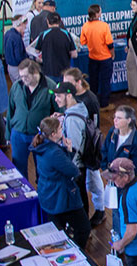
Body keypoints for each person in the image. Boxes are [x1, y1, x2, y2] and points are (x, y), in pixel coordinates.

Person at [30, 116, 90, 249]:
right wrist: (68, 150)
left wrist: (67, 151)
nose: (62, 130)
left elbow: (59, 165)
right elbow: (73, 170)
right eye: (60, 128)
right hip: (61, 197)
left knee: (58, 231)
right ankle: (78, 251)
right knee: (83, 228)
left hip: (48, 194)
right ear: (54, 134)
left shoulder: (41, 146)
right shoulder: (54, 152)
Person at [54, 80, 101, 225]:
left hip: (76, 166)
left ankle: (83, 227)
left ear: (69, 96)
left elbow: (73, 148)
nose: (56, 100)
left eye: (59, 96)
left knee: (79, 199)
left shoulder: (72, 119)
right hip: (81, 165)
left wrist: (58, 140)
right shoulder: (79, 109)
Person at [8, 60, 59, 176]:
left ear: (36, 72)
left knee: (42, 169)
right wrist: (8, 133)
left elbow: (58, 112)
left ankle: (40, 193)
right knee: (18, 169)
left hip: (40, 136)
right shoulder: (17, 86)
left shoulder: (50, 87)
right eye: (21, 76)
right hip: (18, 134)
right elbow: (10, 110)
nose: (23, 79)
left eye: (26, 76)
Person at [80, 4, 114, 107]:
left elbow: (82, 41)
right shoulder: (104, 26)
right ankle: (104, 103)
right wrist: (112, 54)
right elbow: (109, 43)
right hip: (105, 58)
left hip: (92, 57)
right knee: (105, 81)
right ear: (97, 14)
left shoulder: (85, 26)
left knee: (93, 81)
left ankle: (93, 102)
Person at [101, 105, 137, 175]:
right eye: (114, 117)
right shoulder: (112, 132)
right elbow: (104, 151)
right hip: (112, 177)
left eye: (119, 118)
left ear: (128, 120)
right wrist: (107, 169)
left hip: (127, 180)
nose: (115, 120)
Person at [35, 13, 78, 83]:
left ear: (47, 22)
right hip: (64, 72)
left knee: (51, 92)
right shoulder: (66, 34)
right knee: (64, 92)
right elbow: (74, 54)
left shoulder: (43, 35)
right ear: (60, 21)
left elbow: (36, 51)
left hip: (49, 71)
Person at [3, 17, 29, 82]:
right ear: (21, 24)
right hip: (17, 68)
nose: (25, 28)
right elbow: (19, 57)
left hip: (9, 67)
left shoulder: (7, 33)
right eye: (25, 25)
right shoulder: (17, 38)